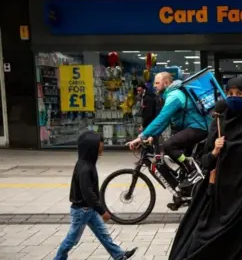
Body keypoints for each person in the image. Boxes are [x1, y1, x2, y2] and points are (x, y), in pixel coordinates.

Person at [168, 77, 242, 260]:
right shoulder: (218, 123)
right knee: (206, 240)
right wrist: (215, 152)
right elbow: (205, 162)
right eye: (230, 94)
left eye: (239, 94)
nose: (234, 97)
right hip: (221, 197)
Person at [54, 131, 137, 260]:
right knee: (72, 240)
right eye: (99, 147)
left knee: (103, 234)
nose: (101, 149)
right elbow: (88, 193)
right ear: (90, 148)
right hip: (82, 210)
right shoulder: (85, 168)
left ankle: (119, 255)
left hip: (89, 210)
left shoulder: (87, 163)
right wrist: (102, 211)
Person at [128, 72, 210, 187]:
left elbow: (162, 118)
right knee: (181, 162)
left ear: (166, 83)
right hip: (192, 128)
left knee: (169, 146)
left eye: (157, 83)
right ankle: (185, 194)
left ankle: (192, 171)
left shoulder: (174, 96)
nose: (154, 86)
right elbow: (167, 120)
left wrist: (141, 136)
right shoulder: (172, 94)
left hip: (198, 128)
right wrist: (153, 135)